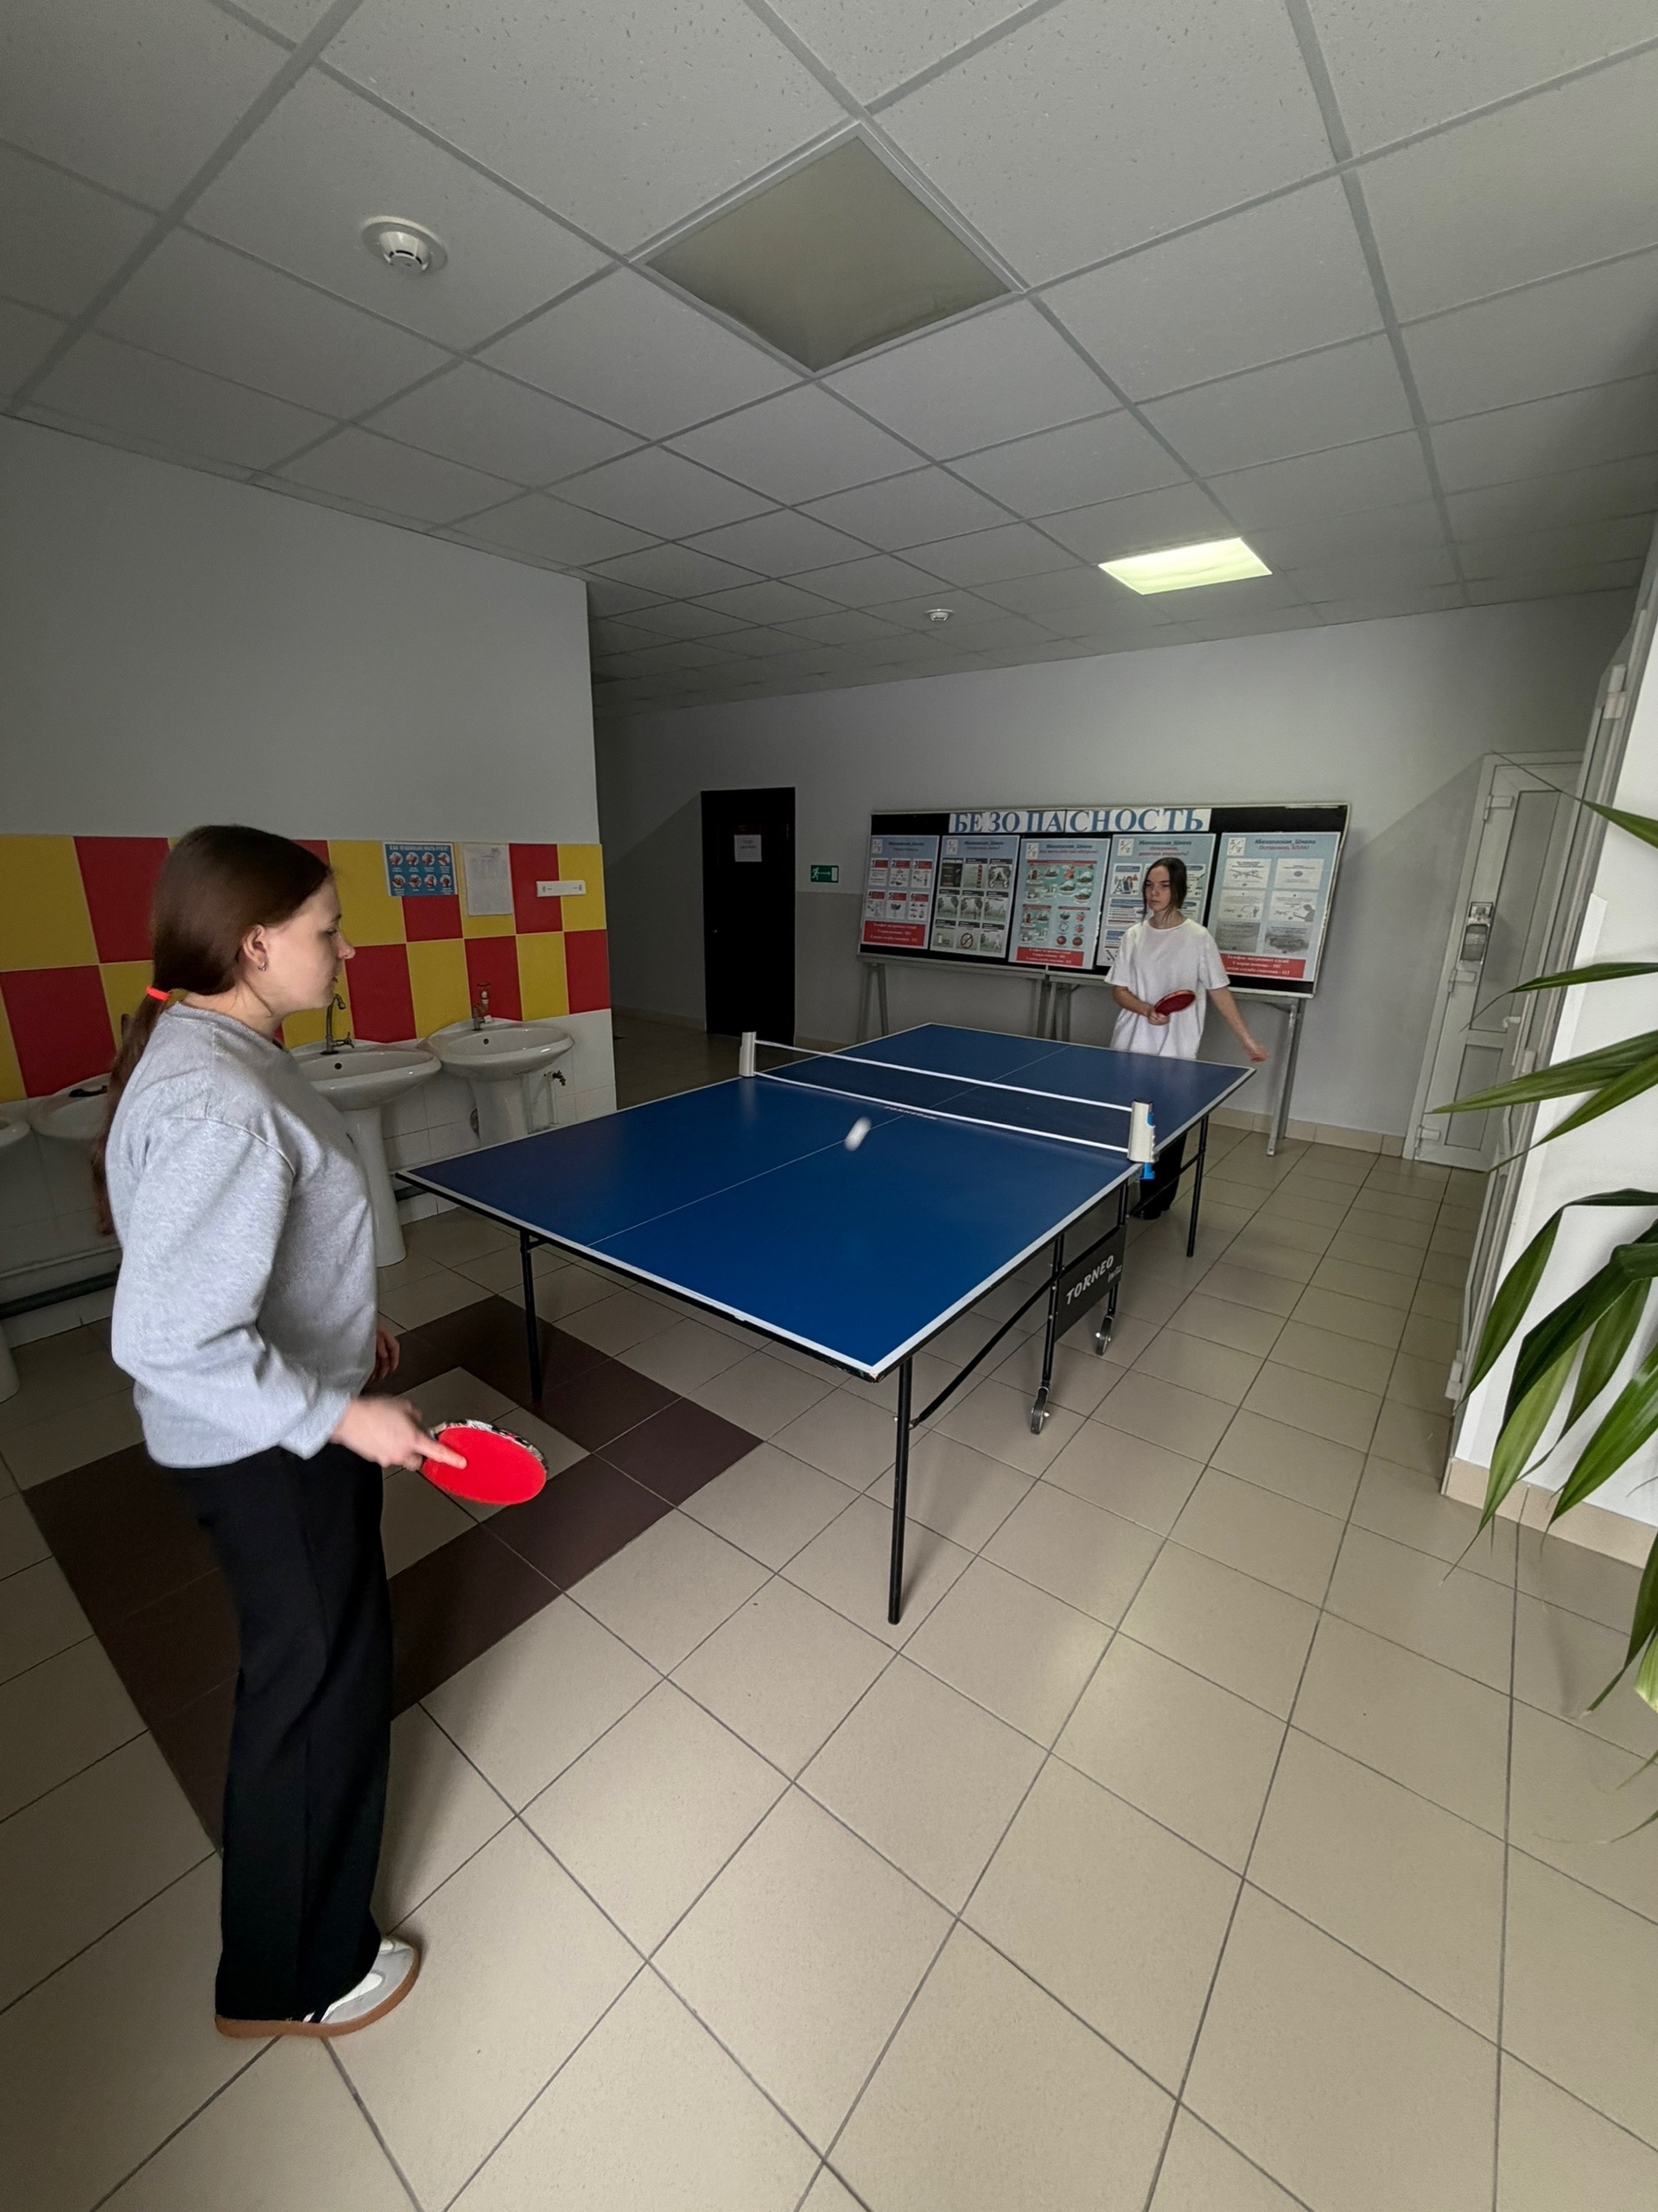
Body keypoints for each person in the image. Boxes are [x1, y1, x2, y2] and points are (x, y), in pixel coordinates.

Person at [92, 825, 465, 2039]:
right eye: (326, 931)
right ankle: (298, 1977)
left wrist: (348, 1327)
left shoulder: (216, 1046)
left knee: (314, 1671)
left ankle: (288, 1955)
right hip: (267, 1452)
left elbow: (250, 1256)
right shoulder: (219, 1099)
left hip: (269, 1426)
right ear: (253, 946)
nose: (346, 950)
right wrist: (341, 1413)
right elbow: (166, 1336)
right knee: (313, 1696)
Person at [1109, 855, 1269, 1218]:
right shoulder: (1133, 936)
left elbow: (1218, 990)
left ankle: (1155, 1199)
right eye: (1149, 885)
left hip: (1176, 1052)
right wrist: (1146, 1010)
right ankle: (1122, 1187)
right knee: (1130, 1126)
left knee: (1167, 1130)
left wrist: (1247, 1039)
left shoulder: (1198, 938)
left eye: (1163, 886)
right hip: (1130, 1046)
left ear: (1178, 890)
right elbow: (1118, 991)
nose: (1154, 893)